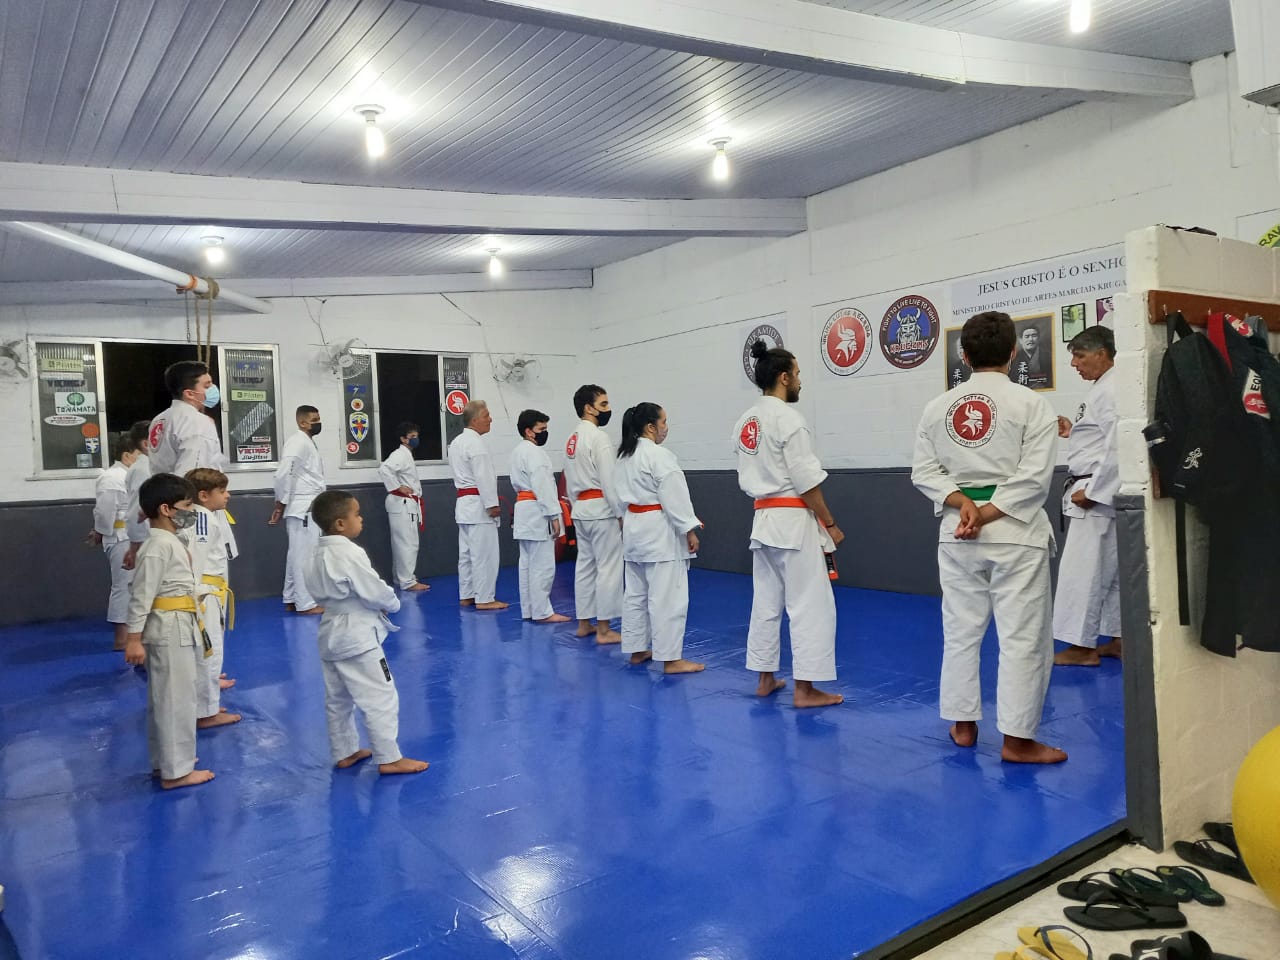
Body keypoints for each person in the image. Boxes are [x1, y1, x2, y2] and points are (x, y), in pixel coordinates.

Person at [911, 310, 1067, 764]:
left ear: (963, 355)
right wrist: (985, 511)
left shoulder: (937, 407)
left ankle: (962, 725)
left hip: (958, 531)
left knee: (960, 629)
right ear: (1014, 352)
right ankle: (1018, 741)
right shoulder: (1031, 404)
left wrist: (964, 505)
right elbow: (1034, 478)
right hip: (1014, 532)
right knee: (1022, 637)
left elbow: (924, 472)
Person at [733, 340, 844, 708]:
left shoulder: (746, 421)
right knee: (809, 604)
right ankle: (805, 689)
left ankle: (765, 679)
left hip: (763, 519)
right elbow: (806, 481)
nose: (799, 381)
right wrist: (829, 522)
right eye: (796, 374)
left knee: (766, 601)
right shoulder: (789, 419)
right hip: (793, 520)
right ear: (783, 378)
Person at [305, 490, 429, 776]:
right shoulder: (349, 552)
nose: (361, 519)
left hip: (329, 630)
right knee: (380, 695)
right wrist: (393, 603)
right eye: (357, 514)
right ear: (340, 523)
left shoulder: (314, 553)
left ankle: (345, 751)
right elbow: (374, 589)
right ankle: (389, 758)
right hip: (357, 635)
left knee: (338, 698)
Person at [122, 473, 215, 790]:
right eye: (186, 505)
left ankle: (169, 761)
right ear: (166, 509)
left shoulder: (170, 541)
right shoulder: (157, 546)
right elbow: (141, 595)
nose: (190, 512)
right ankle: (176, 772)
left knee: (171, 697)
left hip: (178, 623)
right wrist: (133, 639)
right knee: (175, 700)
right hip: (168, 628)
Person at [614, 403, 704, 674]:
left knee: (636, 595)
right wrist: (689, 528)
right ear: (650, 427)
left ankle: (637, 649)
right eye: (663, 422)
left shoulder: (624, 456)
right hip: (659, 531)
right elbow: (674, 497)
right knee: (667, 597)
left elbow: (616, 497)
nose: (666, 427)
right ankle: (671, 659)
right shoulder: (659, 456)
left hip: (633, 527)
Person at [1053, 326, 1122, 666]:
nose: (1074, 364)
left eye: (1080, 356)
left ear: (1102, 354)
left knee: (1084, 573)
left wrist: (1094, 491)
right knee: (1111, 574)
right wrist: (1075, 432)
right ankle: (1119, 639)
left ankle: (1081, 648)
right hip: (1102, 491)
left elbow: (1119, 443)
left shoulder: (1111, 389)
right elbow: (1101, 439)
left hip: (1094, 494)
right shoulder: (1107, 386)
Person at [124, 362, 227, 570]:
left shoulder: (159, 420)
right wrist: (185, 516)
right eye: (207, 385)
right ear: (189, 393)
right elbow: (192, 476)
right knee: (203, 573)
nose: (213, 390)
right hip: (192, 510)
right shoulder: (197, 422)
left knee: (174, 570)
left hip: (167, 510)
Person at [564, 385, 623, 644]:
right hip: (601, 509)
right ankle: (604, 629)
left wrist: (576, 506)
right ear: (589, 408)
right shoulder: (599, 437)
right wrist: (620, 512)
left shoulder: (572, 438)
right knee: (608, 567)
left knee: (585, 567)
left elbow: (568, 478)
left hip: (581, 509)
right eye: (603, 404)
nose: (608, 409)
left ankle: (584, 624)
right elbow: (609, 479)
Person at [187, 468, 243, 729]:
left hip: (211, 593)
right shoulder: (202, 520)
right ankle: (205, 713)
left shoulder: (202, 516)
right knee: (209, 651)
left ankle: (204, 703)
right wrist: (195, 597)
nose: (227, 495)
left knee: (208, 652)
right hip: (204, 596)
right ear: (203, 495)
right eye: (222, 491)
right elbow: (196, 561)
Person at [510, 410, 570, 623]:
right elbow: (543, 486)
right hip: (538, 510)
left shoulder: (517, 451)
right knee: (542, 565)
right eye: (541, 429)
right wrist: (554, 515)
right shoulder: (535, 454)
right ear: (529, 431)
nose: (545, 432)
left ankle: (529, 610)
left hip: (524, 509)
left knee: (526, 564)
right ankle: (543, 612)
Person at [447, 400, 507, 610]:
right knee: (484, 555)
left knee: (466, 555)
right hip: (479, 505)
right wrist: (492, 504)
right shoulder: (476, 444)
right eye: (486, 416)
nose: (490, 419)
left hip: (464, 505)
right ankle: (485, 598)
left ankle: (467, 595)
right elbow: (484, 477)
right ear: (474, 420)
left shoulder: (456, 442)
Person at [88, 431, 143, 651]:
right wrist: (100, 532)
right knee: (124, 585)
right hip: (121, 537)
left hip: (134, 536)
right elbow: (104, 512)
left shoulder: (133, 475)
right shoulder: (112, 477)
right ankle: (122, 639)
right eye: (140, 454)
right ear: (127, 456)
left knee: (136, 585)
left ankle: (135, 634)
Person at [270, 405, 327, 614]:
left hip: (306, 506)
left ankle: (292, 598)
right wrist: (280, 503)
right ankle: (306, 604)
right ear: (302, 422)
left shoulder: (306, 441)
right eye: (314, 420)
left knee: (296, 554)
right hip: (303, 507)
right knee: (305, 556)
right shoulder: (298, 442)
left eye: (319, 418)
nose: (318, 423)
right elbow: (284, 474)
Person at [378, 421, 429, 592]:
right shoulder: (400, 455)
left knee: (401, 543)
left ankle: (400, 578)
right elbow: (384, 469)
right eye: (412, 436)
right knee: (408, 543)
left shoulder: (405, 454)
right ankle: (407, 581)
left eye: (416, 436)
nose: (415, 439)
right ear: (403, 439)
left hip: (403, 504)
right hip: (403, 503)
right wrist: (398, 487)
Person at [1011, 324, 1050, 389]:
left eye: (1034, 336)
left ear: (1039, 339)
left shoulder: (1048, 356)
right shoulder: (1014, 358)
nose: (1031, 339)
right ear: (1020, 340)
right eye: (1027, 336)